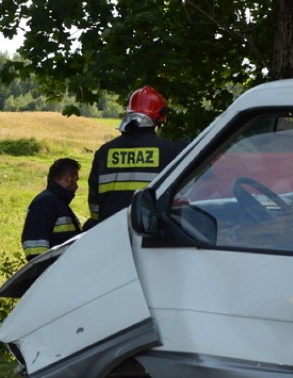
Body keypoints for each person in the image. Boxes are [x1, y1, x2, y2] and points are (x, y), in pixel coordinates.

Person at [86, 85, 187, 226]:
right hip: (151, 235)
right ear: (160, 118)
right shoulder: (171, 150)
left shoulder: (104, 152)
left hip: (110, 232)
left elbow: (94, 204)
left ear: (128, 113)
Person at [21, 158, 82, 261]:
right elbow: (35, 249)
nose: (77, 186)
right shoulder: (45, 203)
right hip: (54, 272)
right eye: (76, 180)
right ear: (68, 179)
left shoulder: (57, 203)